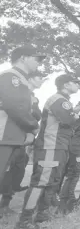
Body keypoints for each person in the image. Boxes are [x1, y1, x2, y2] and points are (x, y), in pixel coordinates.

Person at [15, 74, 79, 228]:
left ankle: (42, 215)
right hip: (51, 145)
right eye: (75, 82)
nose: (77, 85)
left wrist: (74, 115)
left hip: (59, 146)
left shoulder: (64, 101)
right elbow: (69, 120)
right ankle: (25, 219)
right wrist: (75, 115)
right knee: (41, 182)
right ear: (66, 85)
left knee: (53, 181)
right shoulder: (59, 100)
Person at [0, 70, 46, 218]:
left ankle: (5, 204)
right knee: (4, 169)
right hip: (6, 135)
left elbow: (36, 115)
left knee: (18, 170)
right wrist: (31, 125)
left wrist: (31, 131)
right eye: (39, 77)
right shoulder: (13, 92)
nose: (42, 81)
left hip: (22, 139)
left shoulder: (34, 98)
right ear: (30, 78)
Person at [0, 46, 43, 191]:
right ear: (23, 58)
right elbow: (14, 106)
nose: (39, 62)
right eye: (36, 58)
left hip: (11, 135)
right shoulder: (11, 76)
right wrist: (32, 126)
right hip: (4, 134)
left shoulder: (21, 79)